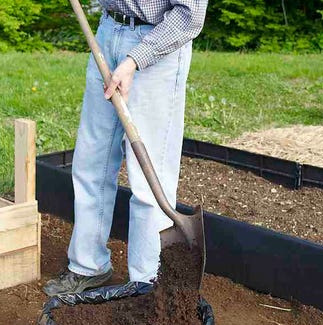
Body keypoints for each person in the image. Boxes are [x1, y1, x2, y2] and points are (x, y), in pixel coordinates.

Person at [44, 0, 208, 296]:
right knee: (91, 162)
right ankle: (88, 265)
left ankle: (145, 284)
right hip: (107, 34)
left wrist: (134, 60)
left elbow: (190, 15)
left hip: (157, 44)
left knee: (149, 178)